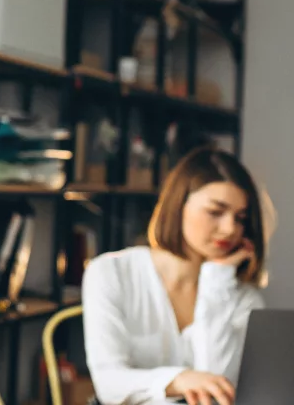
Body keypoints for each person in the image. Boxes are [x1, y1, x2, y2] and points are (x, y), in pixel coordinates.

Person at [82, 148, 269, 405]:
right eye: (215, 212)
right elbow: (109, 384)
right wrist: (178, 379)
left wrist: (217, 279)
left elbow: (219, 391)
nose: (229, 229)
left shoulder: (242, 297)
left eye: (240, 218)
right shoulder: (110, 273)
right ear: (178, 206)